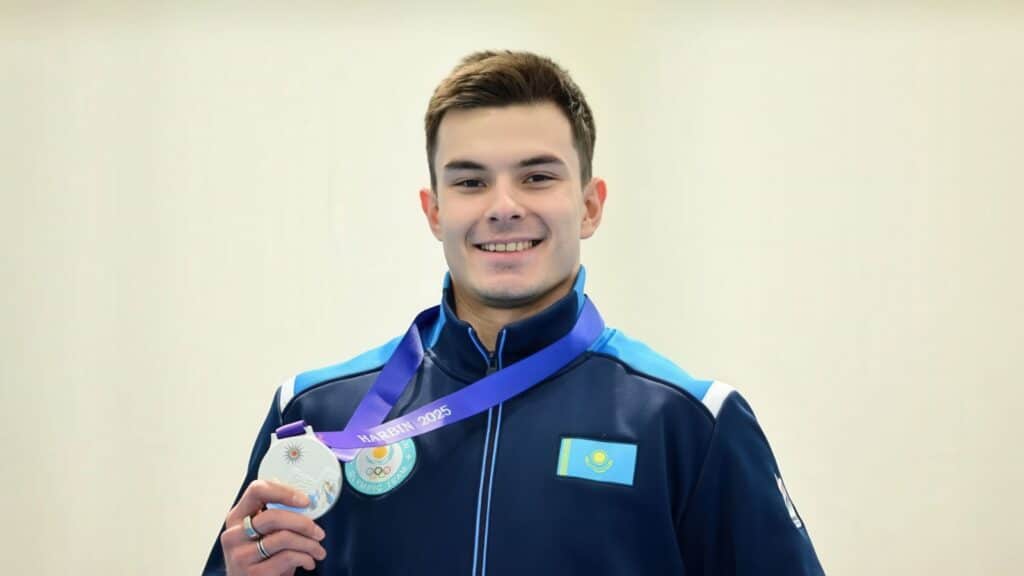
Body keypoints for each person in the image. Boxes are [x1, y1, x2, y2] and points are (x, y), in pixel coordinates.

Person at [203, 50, 826, 575]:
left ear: (590, 206)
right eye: (470, 182)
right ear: (434, 211)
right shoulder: (314, 418)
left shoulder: (689, 424)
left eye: (537, 177)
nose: (503, 207)